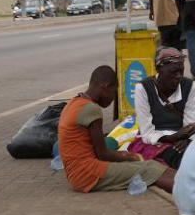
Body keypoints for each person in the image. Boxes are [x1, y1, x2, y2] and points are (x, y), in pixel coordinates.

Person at [58, 65, 175, 194]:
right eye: (114, 93)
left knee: (152, 167)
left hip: (77, 175)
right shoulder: (91, 109)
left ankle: (191, 184)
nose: (113, 99)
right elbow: (103, 154)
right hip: (89, 174)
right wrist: (133, 157)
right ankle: (190, 194)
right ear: (106, 87)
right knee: (150, 168)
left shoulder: (73, 103)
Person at [128, 47, 195, 169]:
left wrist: (187, 139)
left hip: (182, 139)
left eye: (181, 71)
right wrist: (173, 138)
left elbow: (191, 124)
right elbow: (147, 133)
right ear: (159, 70)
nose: (178, 76)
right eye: (173, 72)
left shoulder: (189, 86)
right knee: (177, 158)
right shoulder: (143, 88)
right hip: (156, 140)